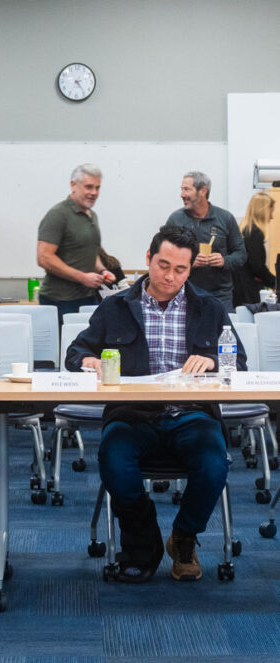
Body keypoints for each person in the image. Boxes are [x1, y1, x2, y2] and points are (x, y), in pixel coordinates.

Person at [66, 224, 242, 583]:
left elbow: (239, 363)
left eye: (180, 269)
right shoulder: (116, 307)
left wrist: (212, 361)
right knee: (114, 461)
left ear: (190, 269)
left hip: (192, 415)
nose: (170, 276)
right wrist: (90, 361)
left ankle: (183, 538)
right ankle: (142, 541)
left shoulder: (209, 308)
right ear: (148, 258)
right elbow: (75, 352)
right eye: (163, 265)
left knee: (214, 464)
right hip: (133, 415)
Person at [36, 164, 115, 320]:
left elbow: (90, 252)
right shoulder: (58, 215)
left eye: (97, 188)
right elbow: (44, 257)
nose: (94, 193)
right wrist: (82, 277)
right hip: (60, 300)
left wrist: (102, 271)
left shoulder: (92, 216)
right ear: (73, 185)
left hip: (88, 297)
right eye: (88, 187)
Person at [166, 170, 246, 311]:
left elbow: (241, 254)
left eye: (186, 189)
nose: (182, 194)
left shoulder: (225, 218)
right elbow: (164, 256)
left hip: (220, 297)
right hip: (185, 294)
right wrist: (188, 263)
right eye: (182, 189)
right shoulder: (176, 219)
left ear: (203, 191)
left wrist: (224, 261)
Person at [232, 191, 276, 308]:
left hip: (240, 287)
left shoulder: (244, 230)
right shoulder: (254, 233)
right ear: (263, 211)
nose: (272, 217)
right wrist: (274, 283)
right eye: (270, 212)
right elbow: (257, 266)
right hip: (248, 289)